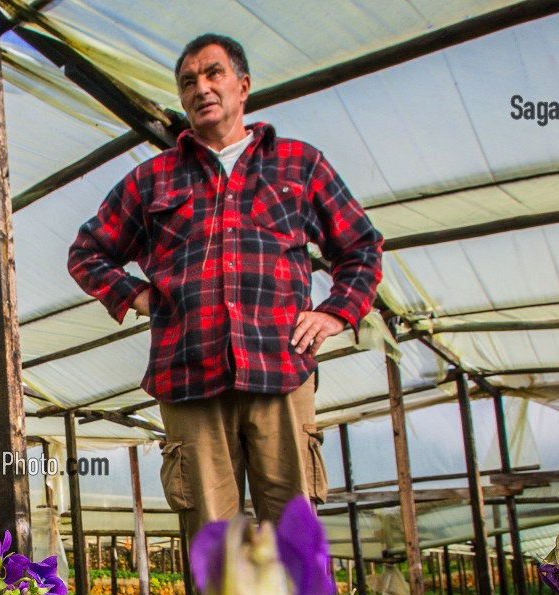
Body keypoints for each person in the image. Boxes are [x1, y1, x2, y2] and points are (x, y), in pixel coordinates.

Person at [67, 33, 382, 541]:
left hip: (279, 365)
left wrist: (334, 313)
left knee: (293, 532)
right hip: (188, 371)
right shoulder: (152, 180)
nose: (201, 88)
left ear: (243, 86)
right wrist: (138, 296)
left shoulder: (300, 164)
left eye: (213, 74)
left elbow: (361, 247)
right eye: (188, 81)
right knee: (213, 538)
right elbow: (86, 253)